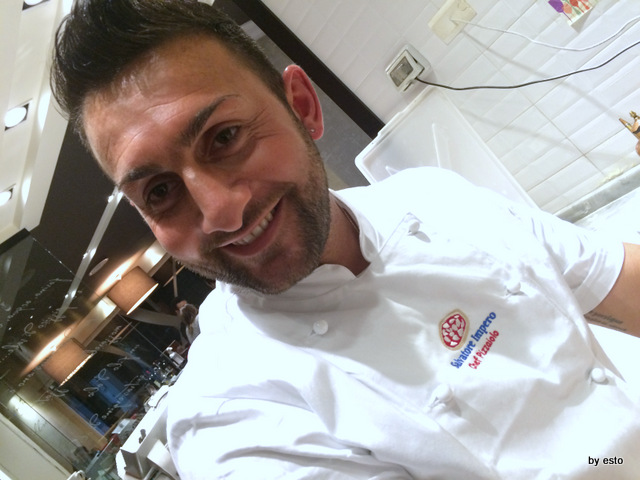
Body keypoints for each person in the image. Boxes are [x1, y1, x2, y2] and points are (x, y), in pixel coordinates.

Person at [51, 1, 640, 478]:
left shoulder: (431, 196)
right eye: (160, 192)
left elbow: (617, 281)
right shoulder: (233, 423)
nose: (221, 212)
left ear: (302, 106)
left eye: (225, 137)